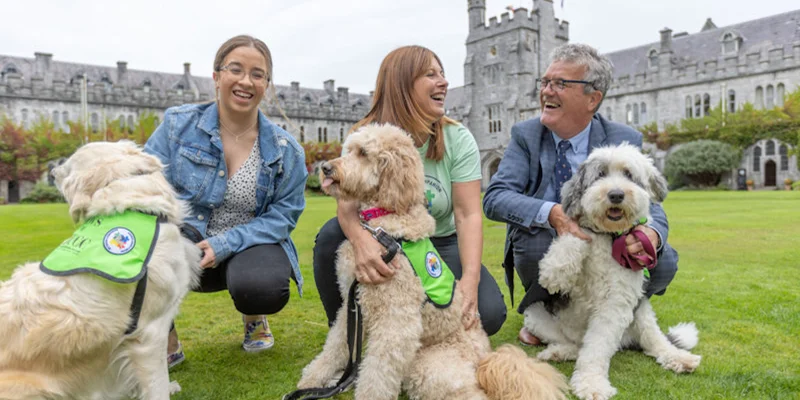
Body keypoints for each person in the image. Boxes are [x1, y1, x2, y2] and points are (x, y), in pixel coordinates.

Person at [482, 43, 679, 346]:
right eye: (545, 82)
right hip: (553, 239)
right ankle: (546, 315)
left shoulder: (623, 138)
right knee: (535, 243)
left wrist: (653, 233)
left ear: (592, 98)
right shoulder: (526, 135)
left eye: (560, 83)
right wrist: (552, 214)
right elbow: (495, 197)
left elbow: (649, 200)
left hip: (609, 238)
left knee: (662, 262)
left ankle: (618, 313)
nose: (547, 91)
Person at [313, 45, 507, 335]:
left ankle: (413, 339)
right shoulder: (363, 136)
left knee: (488, 315)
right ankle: (349, 331)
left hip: (438, 240)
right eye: (431, 74)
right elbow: (347, 208)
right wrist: (361, 242)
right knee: (331, 237)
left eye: (442, 73)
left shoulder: (458, 138)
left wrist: (470, 279)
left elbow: (468, 215)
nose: (444, 82)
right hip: (378, 233)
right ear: (402, 85)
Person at [144, 35, 308, 363]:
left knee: (262, 288)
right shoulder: (178, 125)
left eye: (258, 74)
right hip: (186, 241)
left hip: (249, 245)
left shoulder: (286, 149)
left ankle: (254, 313)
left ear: (266, 85)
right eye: (236, 69)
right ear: (217, 76)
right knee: (142, 247)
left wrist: (225, 244)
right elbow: (145, 182)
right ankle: (165, 335)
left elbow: (284, 215)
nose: (246, 81)